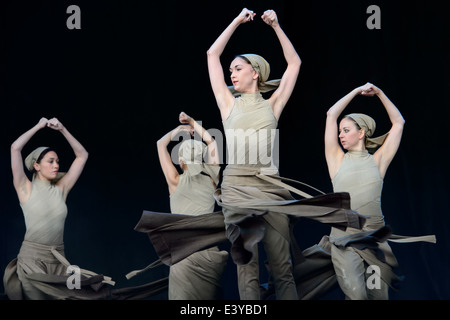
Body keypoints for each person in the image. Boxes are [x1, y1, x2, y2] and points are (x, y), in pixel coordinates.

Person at [206, 8, 366, 300]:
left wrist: (277, 26)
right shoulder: (228, 103)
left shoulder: (273, 104)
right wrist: (236, 22)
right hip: (237, 188)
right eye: (230, 70)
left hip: (270, 186)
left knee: (282, 265)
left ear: (255, 73)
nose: (231, 72)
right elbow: (211, 55)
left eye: (237, 68)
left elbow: (294, 63)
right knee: (247, 264)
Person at [324, 82, 435, 299]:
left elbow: (398, 122)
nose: (341, 135)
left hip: (374, 241)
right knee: (357, 294)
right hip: (344, 241)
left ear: (362, 132)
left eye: (346, 130)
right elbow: (331, 114)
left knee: (377, 296)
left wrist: (380, 94)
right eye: (340, 131)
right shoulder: (336, 159)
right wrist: (356, 91)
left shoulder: (378, 161)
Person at [3, 117, 115, 299]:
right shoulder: (25, 188)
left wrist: (62, 129)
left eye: (57, 161)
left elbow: (82, 155)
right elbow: (15, 148)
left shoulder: (61, 189)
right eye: (51, 161)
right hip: (32, 260)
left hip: (58, 260)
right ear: (36, 166)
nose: (56, 165)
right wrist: (39, 126)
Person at [129, 112, 228, 300]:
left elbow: (160, 144)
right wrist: (192, 122)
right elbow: (213, 143)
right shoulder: (212, 180)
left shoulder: (174, 181)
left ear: (180, 161)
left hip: (183, 256)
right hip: (209, 255)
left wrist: (179, 129)